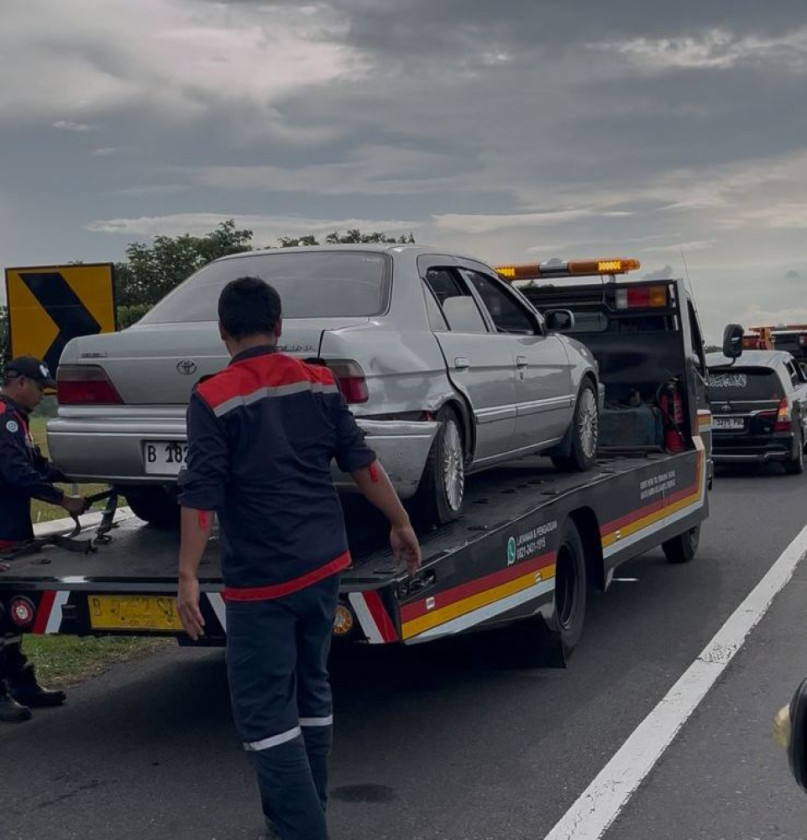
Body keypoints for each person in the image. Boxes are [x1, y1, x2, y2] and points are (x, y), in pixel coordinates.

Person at [176, 276, 422, 839]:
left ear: (222, 331)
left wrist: (187, 572)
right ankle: (303, 814)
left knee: (263, 713)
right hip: (324, 565)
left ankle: (302, 829)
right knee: (311, 688)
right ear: (280, 325)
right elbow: (361, 462)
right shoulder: (319, 382)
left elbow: (202, 493)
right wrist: (400, 521)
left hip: (262, 581)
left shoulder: (212, 397)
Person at [0, 356, 86, 723]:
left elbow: (36, 465)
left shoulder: (16, 420)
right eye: (39, 388)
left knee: (10, 618)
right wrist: (62, 500)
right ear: (19, 382)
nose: (42, 396)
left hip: (10, 532)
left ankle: (20, 684)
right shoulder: (4, 419)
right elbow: (16, 473)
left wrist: (78, 471)